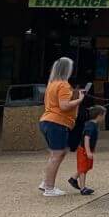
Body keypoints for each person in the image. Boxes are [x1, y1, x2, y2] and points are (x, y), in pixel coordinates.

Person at [38, 57, 85, 197]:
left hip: (48, 120)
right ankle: (49, 188)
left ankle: (46, 182)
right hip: (57, 122)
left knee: (57, 153)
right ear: (67, 69)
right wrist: (79, 99)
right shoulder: (63, 85)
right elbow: (64, 106)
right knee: (57, 154)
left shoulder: (52, 83)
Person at [69, 105, 104, 196]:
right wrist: (88, 151)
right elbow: (86, 138)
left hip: (86, 149)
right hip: (83, 150)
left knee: (86, 167)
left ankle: (73, 178)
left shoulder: (92, 125)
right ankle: (83, 188)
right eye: (103, 115)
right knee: (83, 168)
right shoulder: (91, 126)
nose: (104, 118)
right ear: (99, 115)